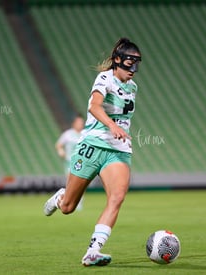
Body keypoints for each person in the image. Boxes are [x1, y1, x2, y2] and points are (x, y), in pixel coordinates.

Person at [43, 37, 141, 267]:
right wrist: (112, 125)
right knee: (69, 207)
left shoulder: (133, 86)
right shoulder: (104, 78)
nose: (133, 69)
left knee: (116, 198)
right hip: (92, 146)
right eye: (129, 63)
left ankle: (93, 251)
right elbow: (94, 107)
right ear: (117, 60)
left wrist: (118, 129)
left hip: (118, 151)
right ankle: (60, 197)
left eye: (137, 64)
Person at [55, 114, 84, 210]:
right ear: (74, 123)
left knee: (80, 184)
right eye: (79, 122)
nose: (80, 124)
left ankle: (78, 203)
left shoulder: (85, 133)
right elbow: (58, 144)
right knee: (71, 183)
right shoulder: (68, 134)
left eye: (82, 122)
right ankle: (69, 202)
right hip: (70, 162)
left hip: (82, 162)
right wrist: (61, 151)